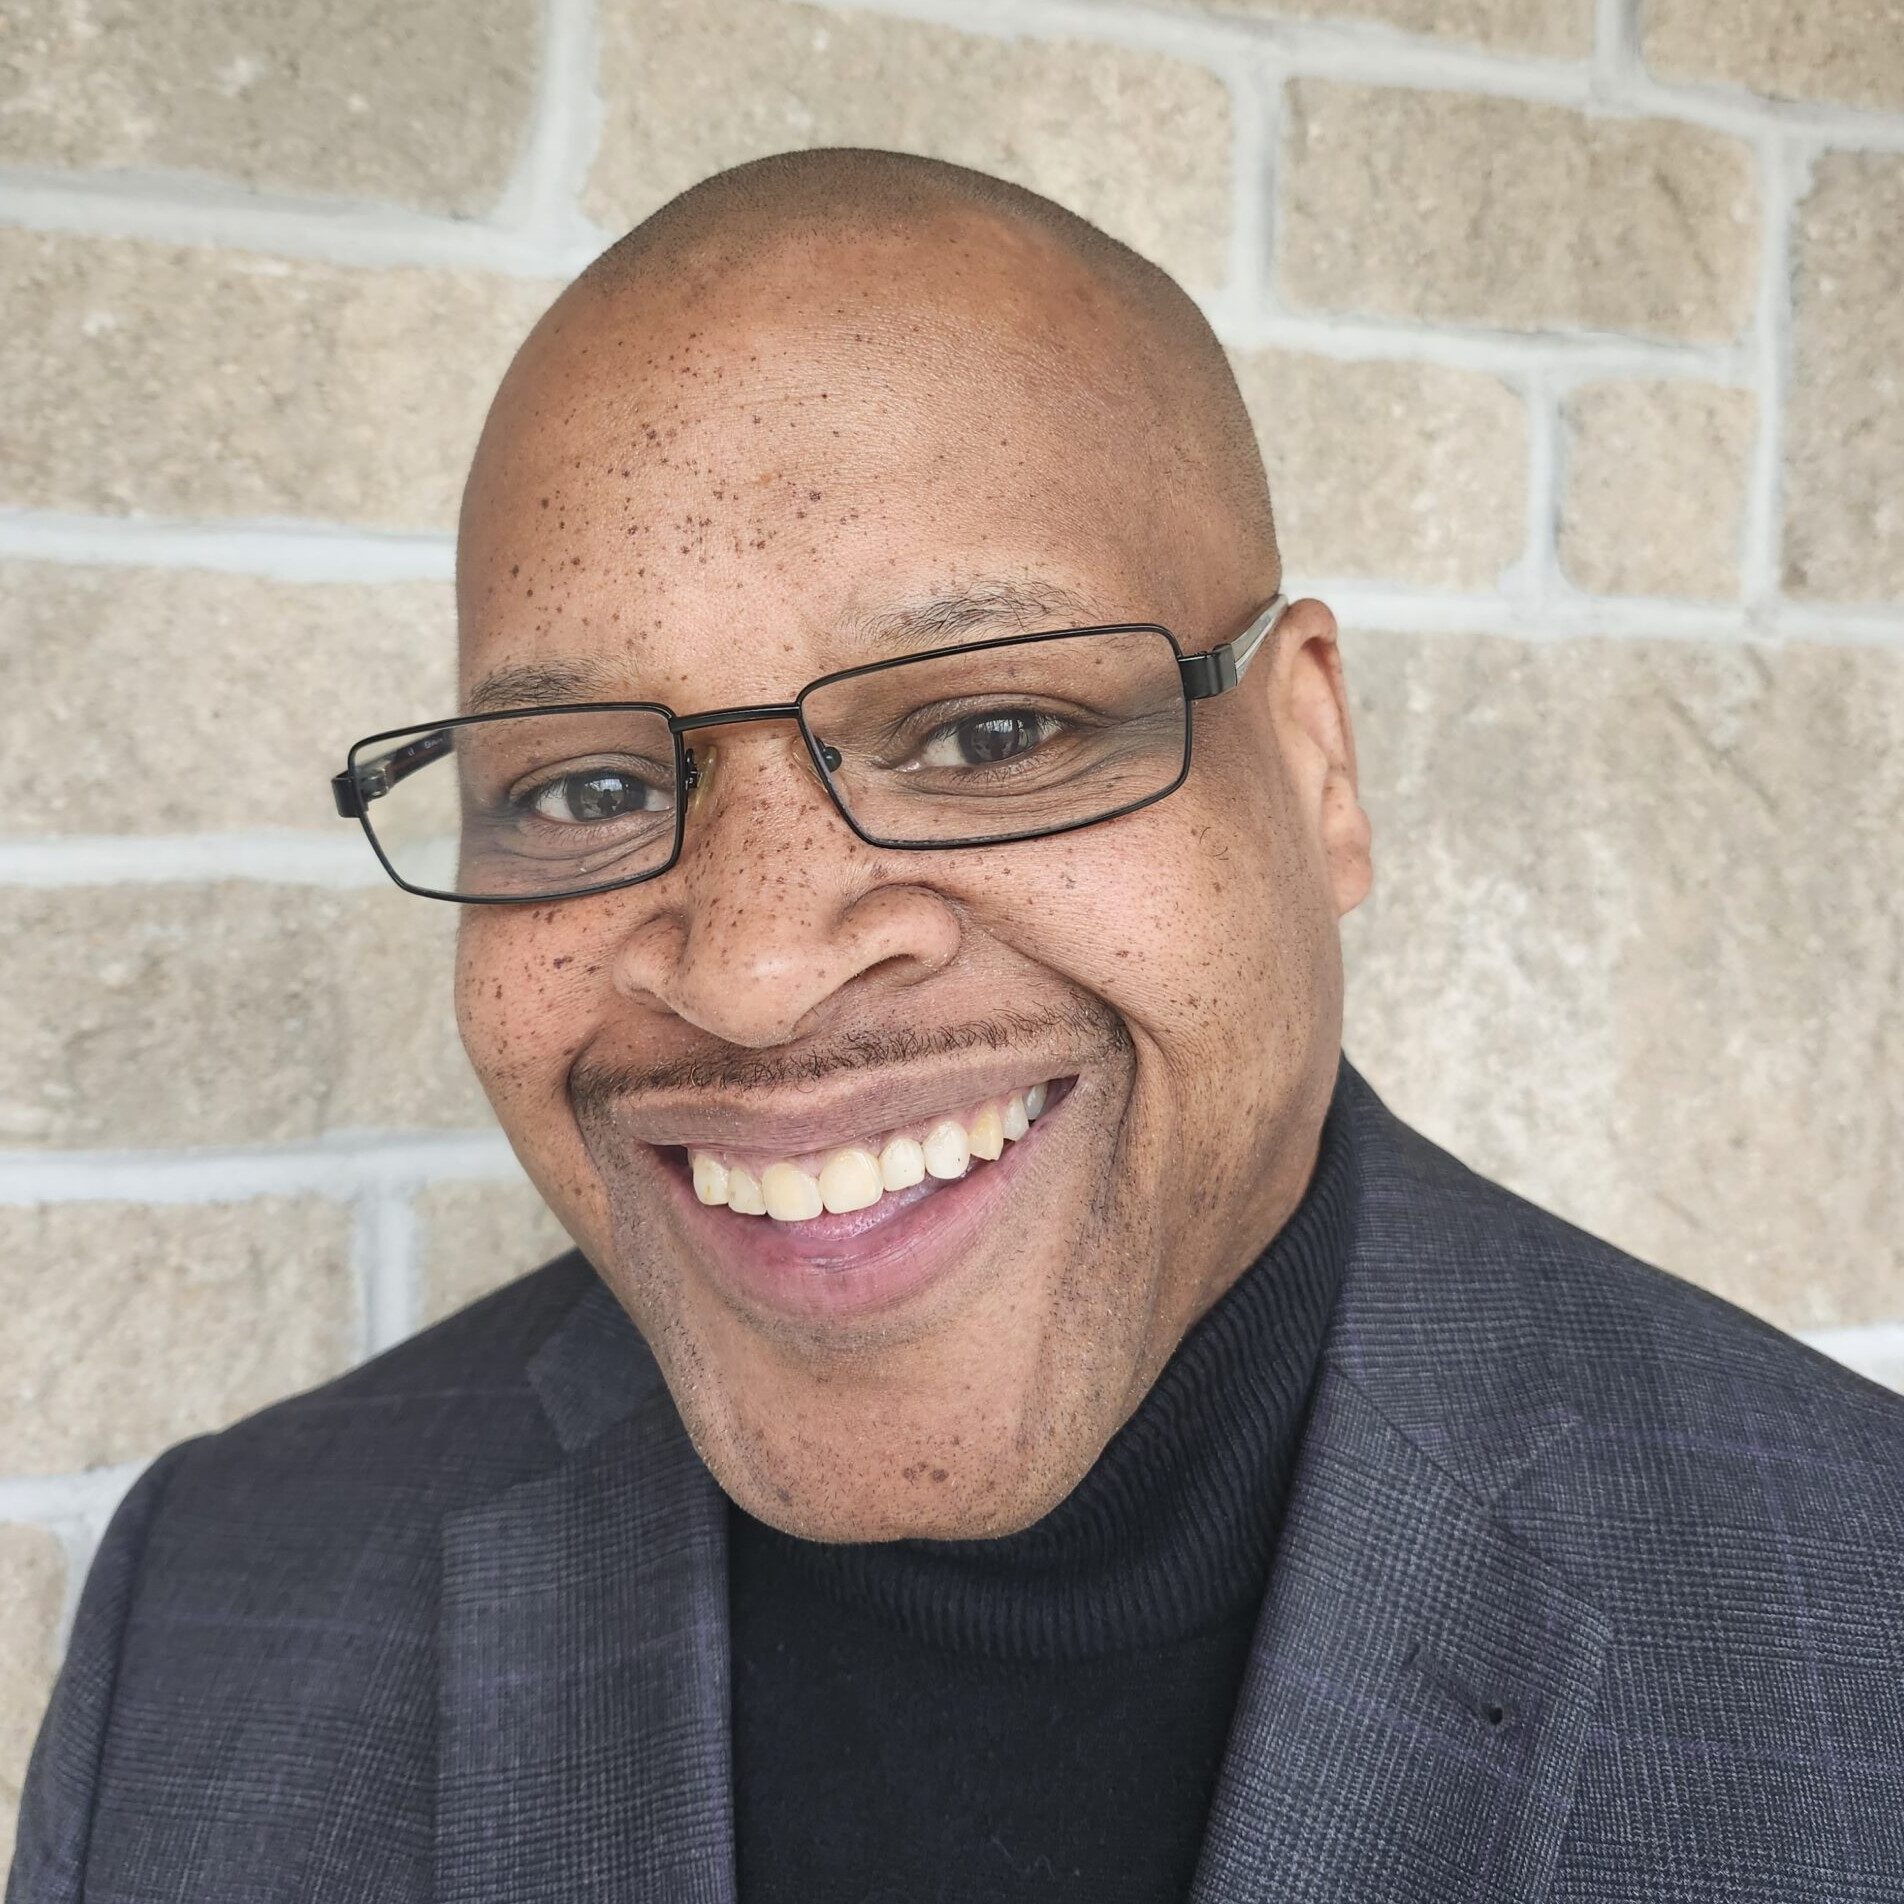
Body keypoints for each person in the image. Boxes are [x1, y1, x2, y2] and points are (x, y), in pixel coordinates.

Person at [10, 148, 1903, 1904]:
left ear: (1315, 764)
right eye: (586, 791)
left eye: (992, 734)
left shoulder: (1856, 1629)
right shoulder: (218, 1597)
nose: (754, 971)